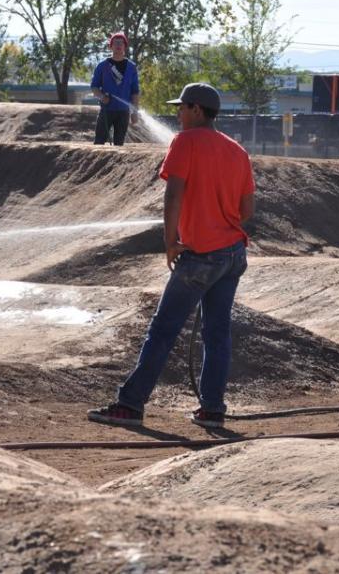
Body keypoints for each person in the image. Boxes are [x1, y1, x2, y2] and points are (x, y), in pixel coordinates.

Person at [88, 82, 255, 430]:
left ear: (196, 110)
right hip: (233, 254)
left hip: (199, 256)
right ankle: (212, 409)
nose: (177, 114)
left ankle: (130, 405)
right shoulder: (237, 150)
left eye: (182, 107)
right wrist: (221, 221)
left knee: (162, 330)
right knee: (217, 333)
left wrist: (171, 242)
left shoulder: (185, 142)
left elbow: (173, 195)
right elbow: (247, 209)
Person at [90, 31, 140, 145]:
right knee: (99, 142)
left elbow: (135, 92)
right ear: (110, 46)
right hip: (106, 110)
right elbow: (94, 87)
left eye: (121, 43)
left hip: (123, 112)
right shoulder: (102, 66)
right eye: (116, 43)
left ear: (125, 47)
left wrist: (135, 112)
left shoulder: (131, 67)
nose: (118, 45)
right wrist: (102, 97)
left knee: (119, 144)